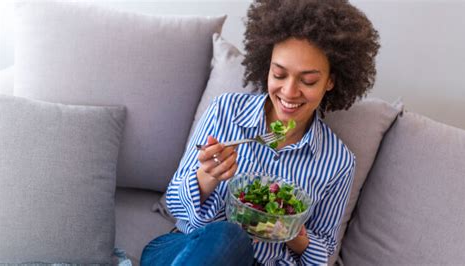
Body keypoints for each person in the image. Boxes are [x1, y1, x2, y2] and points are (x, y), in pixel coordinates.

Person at [141, 0, 380, 265]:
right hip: (185, 247)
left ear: (331, 81)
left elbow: (322, 253)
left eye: (308, 80)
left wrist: (291, 231)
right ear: (266, 68)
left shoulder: (338, 162)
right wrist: (207, 177)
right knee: (228, 235)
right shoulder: (226, 112)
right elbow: (175, 205)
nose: (289, 92)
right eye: (279, 75)